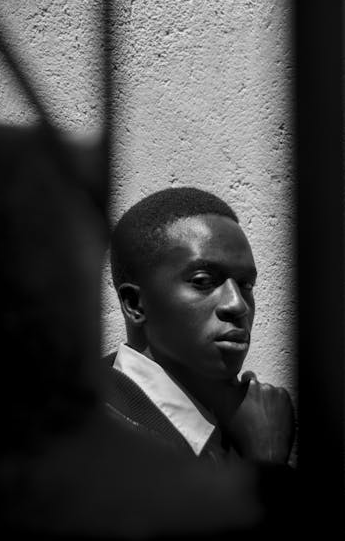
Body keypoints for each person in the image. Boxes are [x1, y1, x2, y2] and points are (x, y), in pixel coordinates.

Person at [104, 186, 296, 467]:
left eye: (246, 285)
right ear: (135, 304)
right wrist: (267, 464)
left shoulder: (253, 421)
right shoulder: (86, 433)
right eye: (203, 281)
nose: (237, 304)